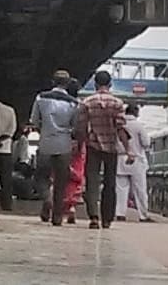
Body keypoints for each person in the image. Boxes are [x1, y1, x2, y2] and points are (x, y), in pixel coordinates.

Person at [75, 70, 132, 229]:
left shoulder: (87, 102)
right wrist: (128, 150)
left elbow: (81, 127)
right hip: (111, 148)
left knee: (92, 182)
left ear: (95, 84)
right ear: (110, 84)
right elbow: (120, 128)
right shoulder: (117, 103)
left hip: (92, 146)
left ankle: (93, 217)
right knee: (110, 183)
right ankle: (107, 219)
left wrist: (80, 145)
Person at [28, 70, 78, 226]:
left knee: (41, 177)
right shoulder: (73, 103)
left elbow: (34, 121)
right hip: (64, 145)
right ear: (68, 83)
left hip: (45, 142)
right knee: (61, 182)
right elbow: (75, 126)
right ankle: (57, 217)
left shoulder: (41, 97)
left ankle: (46, 199)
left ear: (52, 82)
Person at [115, 103, 152, 222]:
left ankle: (120, 213)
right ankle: (143, 215)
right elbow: (146, 143)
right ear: (136, 113)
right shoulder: (139, 126)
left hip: (120, 158)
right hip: (136, 159)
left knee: (121, 188)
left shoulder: (119, 125)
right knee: (140, 189)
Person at [62, 78, 86, 225]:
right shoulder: (81, 106)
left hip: (61, 142)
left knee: (60, 174)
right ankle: (72, 206)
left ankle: (59, 205)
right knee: (76, 175)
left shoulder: (60, 104)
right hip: (78, 143)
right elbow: (83, 126)